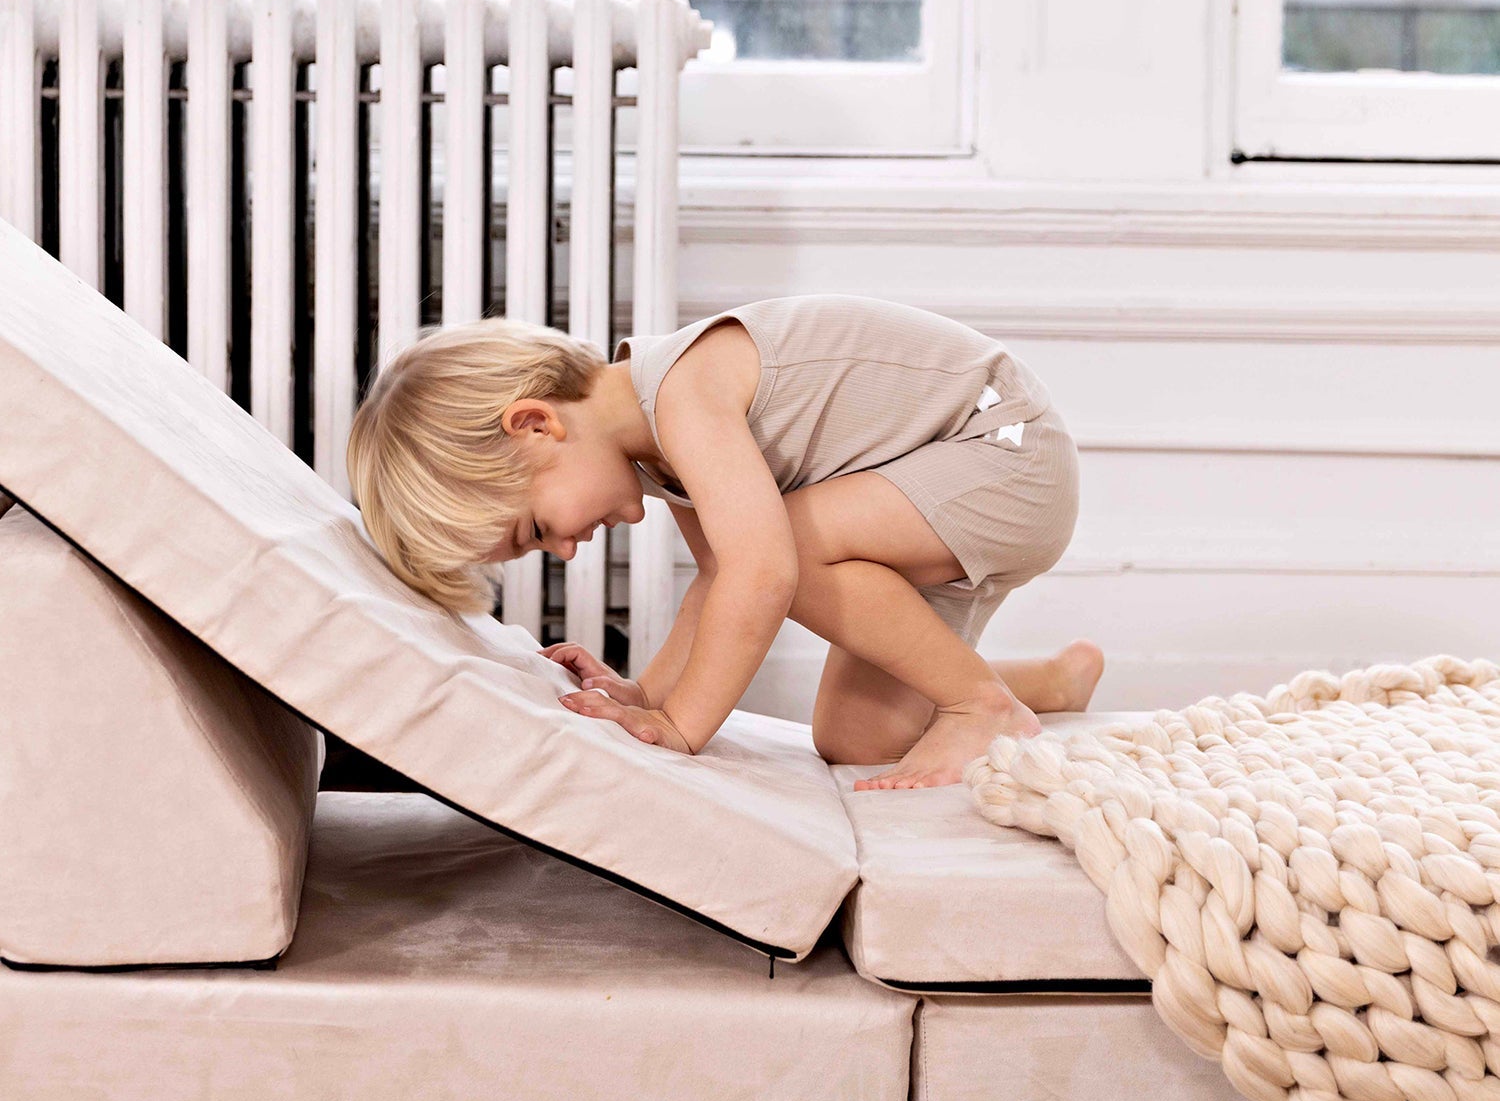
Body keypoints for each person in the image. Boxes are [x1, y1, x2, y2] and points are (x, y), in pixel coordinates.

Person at [346, 294, 1103, 790]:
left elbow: (762, 572)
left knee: (778, 549)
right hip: (928, 487)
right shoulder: (654, 449)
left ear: (536, 424)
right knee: (859, 739)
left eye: (537, 530)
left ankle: (980, 703)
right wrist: (648, 697)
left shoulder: (685, 389)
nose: (567, 551)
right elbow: (718, 576)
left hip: (1004, 453)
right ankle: (1050, 685)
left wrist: (681, 726)